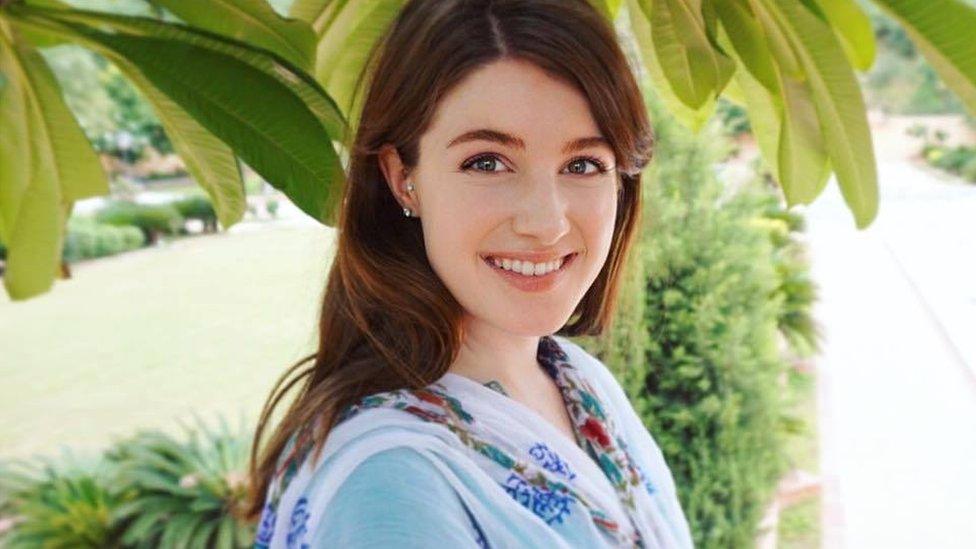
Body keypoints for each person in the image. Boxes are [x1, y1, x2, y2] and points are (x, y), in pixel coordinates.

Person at [244, 0, 694, 546]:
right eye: (487, 162)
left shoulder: (575, 380)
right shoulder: (389, 484)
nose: (546, 223)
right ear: (403, 178)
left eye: (583, 165)